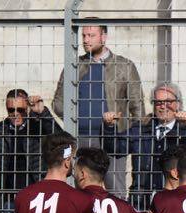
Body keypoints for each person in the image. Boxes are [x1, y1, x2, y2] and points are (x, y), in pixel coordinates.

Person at [53, 24, 145, 198]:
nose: (86, 40)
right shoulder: (74, 66)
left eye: (91, 35)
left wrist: (129, 136)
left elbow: (137, 107)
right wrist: (77, 119)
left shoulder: (124, 66)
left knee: (115, 192)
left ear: (104, 37)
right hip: (80, 139)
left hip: (113, 139)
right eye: (84, 36)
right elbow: (58, 103)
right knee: (79, 192)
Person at [102, 82, 186, 212]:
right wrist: (109, 127)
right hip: (142, 199)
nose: (163, 106)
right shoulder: (141, 128)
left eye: (168, 102)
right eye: (158, 102)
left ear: (178, 104)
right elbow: (115, 149)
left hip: (176, 199)